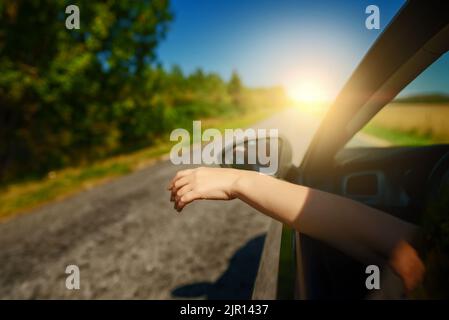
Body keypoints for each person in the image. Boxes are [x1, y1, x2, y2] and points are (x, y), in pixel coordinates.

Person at [168, 167, 425, 294]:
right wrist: (241, 181)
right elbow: (408, 248)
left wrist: (242, 181)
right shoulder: (426, 265)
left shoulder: (428, 269)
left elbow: (405, 247)